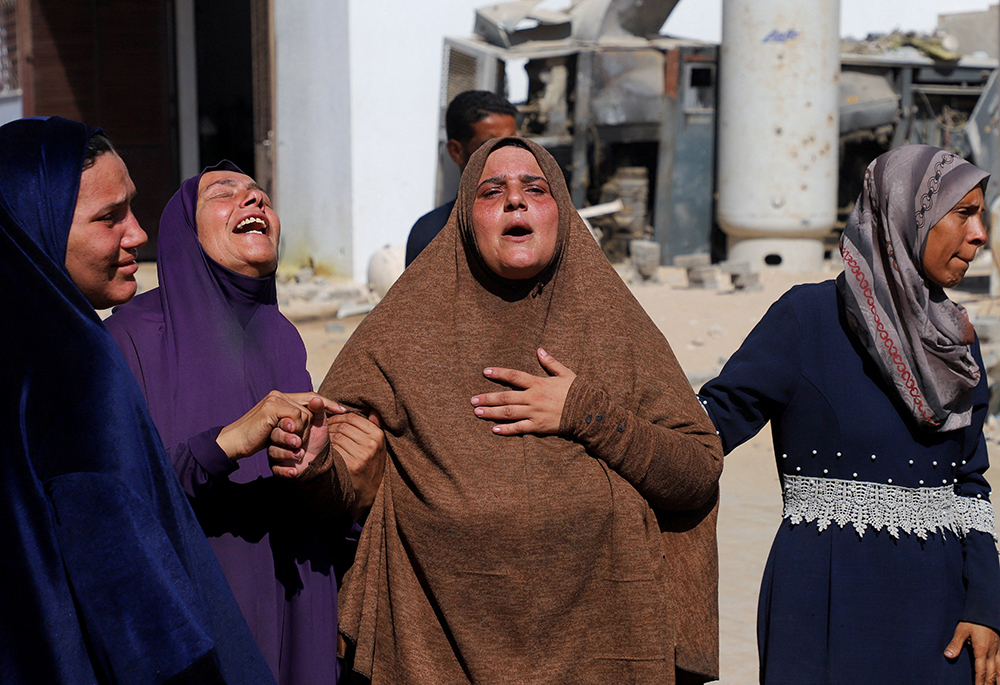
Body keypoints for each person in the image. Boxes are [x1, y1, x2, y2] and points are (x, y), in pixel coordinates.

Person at [273, 137, 724, 684]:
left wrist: (587, 412)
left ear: (561, 210)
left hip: (605, 648)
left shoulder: (613, 320)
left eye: (535, 188)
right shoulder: (403, 328)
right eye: (493, 191)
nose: (516, 201)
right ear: (465, 217)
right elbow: (340, 484)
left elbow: (697, 472)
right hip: (434, 650)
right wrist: (321, 464)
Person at [698, 145, 1000, 684]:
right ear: (908, 215)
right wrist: (591, 415)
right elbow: (703, 431)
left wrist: (985, 603)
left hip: (944, 619)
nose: (980, 234)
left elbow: (970, 483)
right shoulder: (805, 318)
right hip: (824, 602)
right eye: (964, 213)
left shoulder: (958, 342)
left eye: (982, 215)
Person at [0, 116, 278, 683]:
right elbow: (128, 592)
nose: (137, 234)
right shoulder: (72, 361)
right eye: (109, 218)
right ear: (36, 226)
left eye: (131, 208)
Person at [106, 161, 385, 685]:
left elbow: (302, 496)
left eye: (260, 195)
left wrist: (334, 471)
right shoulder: (131, 339)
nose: (254, 201)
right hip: (206, 615)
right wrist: (228, 442)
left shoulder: (280, 334)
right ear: (183, 232)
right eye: (224, 193)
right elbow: (125, 500)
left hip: (299, 605)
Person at [405, 89, 517, 266]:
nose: (506, 154)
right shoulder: (431, 233)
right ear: (456, 151)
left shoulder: (537, 222)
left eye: (513, 143)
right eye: (489, 146)